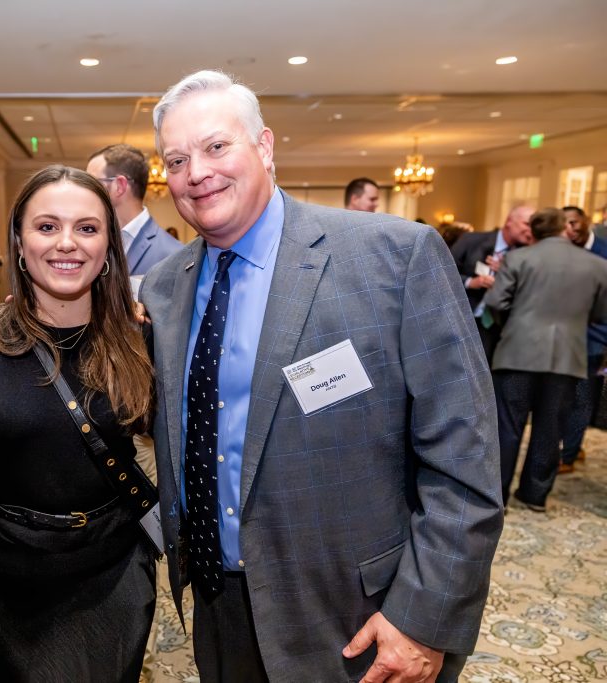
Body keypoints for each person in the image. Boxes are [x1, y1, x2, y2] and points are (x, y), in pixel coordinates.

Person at [140, 70, 502, 682]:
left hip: (359, 620)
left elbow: (465, 457)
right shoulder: (166, 286)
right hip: (219, 605)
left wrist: (424, 620)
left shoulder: (396, 256)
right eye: (176, 160)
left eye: (216, 146)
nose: (196, 172)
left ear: (265, 146)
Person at [0, 165, 157, 682]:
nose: (66, 243)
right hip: (5, 583)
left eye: (87, 228)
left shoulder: (138, 339)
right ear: (19, 242)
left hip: (111, 574)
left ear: (108, 245)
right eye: (47, 226)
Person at [484, 208, 607, 511]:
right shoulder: (597, 264)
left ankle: (497, 494)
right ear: (564, 228)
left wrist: (512, 324)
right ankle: (534, 494)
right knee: (551, 427)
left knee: (508, 425)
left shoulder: (518, 258)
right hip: (568, 356)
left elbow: (495, 301)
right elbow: (601, 313)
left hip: (518, 353)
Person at [450, 205, 535, 363]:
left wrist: (506, 273)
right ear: (509, 221)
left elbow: (530, 293)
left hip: (497, 329)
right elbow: (443, 272)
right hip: (461, 319)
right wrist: (470, 282)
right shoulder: (472, 241)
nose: (531, 230)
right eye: (527, 224)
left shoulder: (526, 255)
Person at [86, 143, 183, 275]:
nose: (86, 192)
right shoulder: (93, 239)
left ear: (119, 186)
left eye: (93, 183)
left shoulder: (173, 256)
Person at [560, 206, 607, 472]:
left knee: (582, 398)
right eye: (565, 224)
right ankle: (572, 446)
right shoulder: (561, 251)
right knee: (561, 398)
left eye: (574, 222)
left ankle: (568, 455)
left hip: (594, 339)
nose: (571, 229)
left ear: (586, 221)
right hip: (561, 338)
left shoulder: (604, 252)